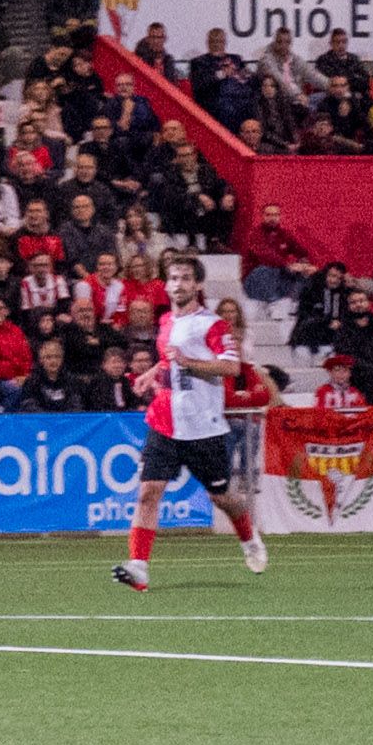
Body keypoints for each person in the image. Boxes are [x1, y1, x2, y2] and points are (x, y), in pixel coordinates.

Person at [112, 250, 267, 591]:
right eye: (173, 277)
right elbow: (170, 360)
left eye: (185, 278)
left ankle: (248, 538)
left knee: (222, 496)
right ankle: (139, 568)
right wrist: (151, 373)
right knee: (148, 493)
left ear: (197, 284)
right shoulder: (167, 321)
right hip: (165, 421)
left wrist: (190, 361)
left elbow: (231, 367)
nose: (177, 284)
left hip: (202, 427)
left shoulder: (213, 324)